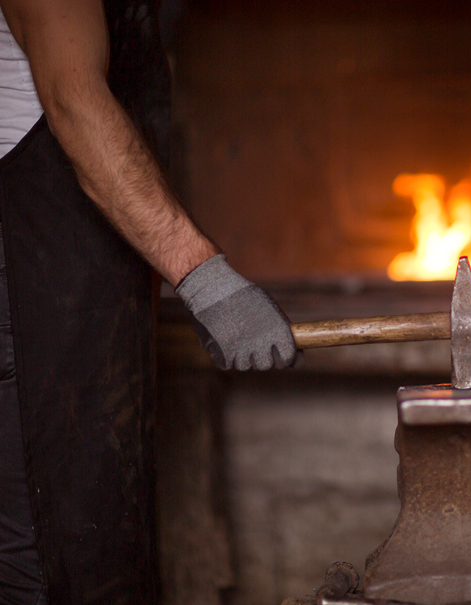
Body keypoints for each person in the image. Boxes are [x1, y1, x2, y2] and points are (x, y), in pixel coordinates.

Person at [0, 0, 299, 603]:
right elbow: (74, 102)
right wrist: (209, 282)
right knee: (50, 562)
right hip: (26, 275)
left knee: (100, 536)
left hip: (78, 273)